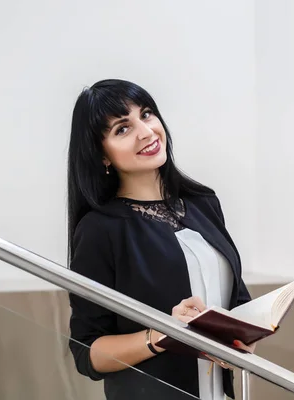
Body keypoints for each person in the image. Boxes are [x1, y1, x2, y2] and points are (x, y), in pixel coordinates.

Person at [66, 79, 255, 400]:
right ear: (102, 156)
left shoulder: (203, 204)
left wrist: (245, 331)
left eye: (147, 114)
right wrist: (162, 335)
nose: (146, 132)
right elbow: (88, 352)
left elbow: (235, 301)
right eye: (122, 129)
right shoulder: (100, 229)